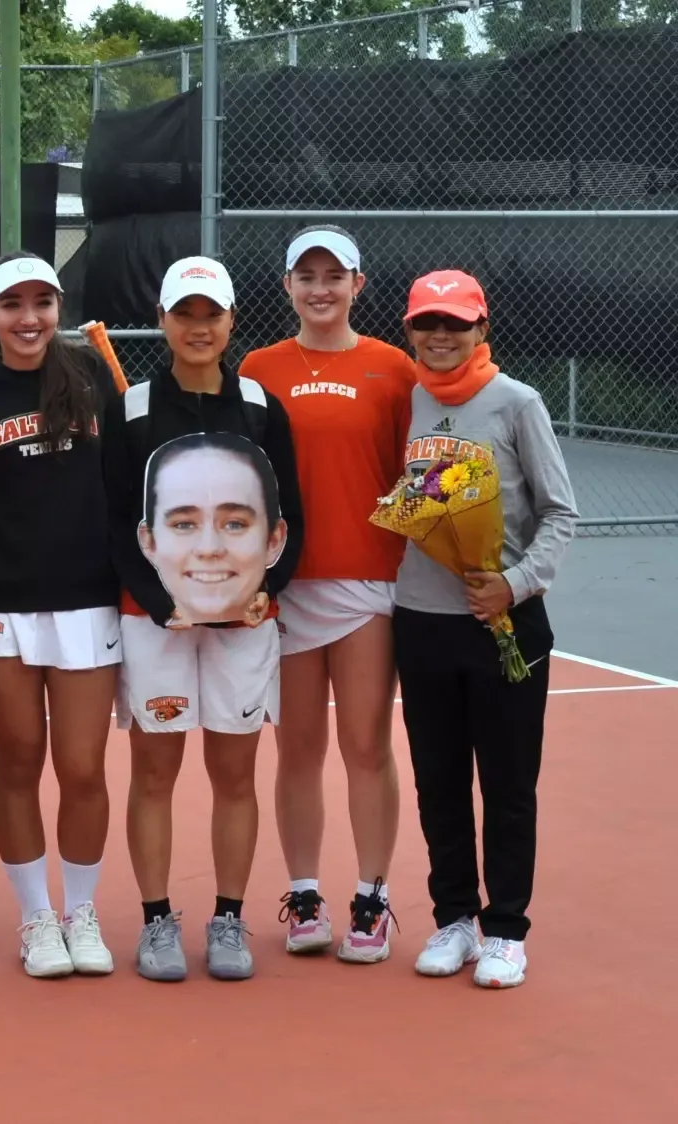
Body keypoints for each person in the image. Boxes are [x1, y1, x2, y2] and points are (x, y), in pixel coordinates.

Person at [102, 256, 303, 982]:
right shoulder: (126, 411)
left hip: (245, 624)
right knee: (154, 771)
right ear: (163, 321)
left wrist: (264, 589)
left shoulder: (259, 407)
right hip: (153, 620)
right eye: (184, 313)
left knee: (235, 772)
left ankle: (228, 918)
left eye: (209, 314)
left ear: (230, 322)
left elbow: (291, 516)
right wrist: (162, 603)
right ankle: (157, 921)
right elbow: (117, 523)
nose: (197, 327)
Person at [0, 253, 126, 978]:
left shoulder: (92, 378)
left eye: (41, 302)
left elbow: (127, 477)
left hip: (87, 597)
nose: (28, 317)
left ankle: (80, 911)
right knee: (17, 760)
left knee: (81, 768)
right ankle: (35, 918)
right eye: (10, 304)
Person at [392, 270, 576, 989]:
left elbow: (560, 512)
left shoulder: (517, 403)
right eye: (427, 323)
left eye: (455, 324)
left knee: (506, 782)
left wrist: (515, 583)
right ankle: (454, 920)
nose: (440, 337)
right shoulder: (401, 399)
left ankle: (505, 930)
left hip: (507, 622)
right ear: (409, 330)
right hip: (422, 621)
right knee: (437, 779)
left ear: (481, 329)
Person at [239, 226, 416, 962]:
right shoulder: (257, 367)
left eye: (333, 276)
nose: (320, 288)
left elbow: (422, 471)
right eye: (305, 276)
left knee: (367, 745)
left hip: (369, 583)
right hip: (284, 587)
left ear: (357, 285)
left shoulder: (394, 368)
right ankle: (304, 895)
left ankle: (372, 900)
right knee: (297, 750)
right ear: (287, 287)